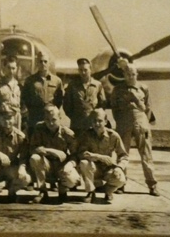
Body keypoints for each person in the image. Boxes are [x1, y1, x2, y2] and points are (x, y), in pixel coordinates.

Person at [110, 62, 160, 196]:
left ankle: (152, 185)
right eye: (127, 74)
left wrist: (144, 123)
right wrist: (121, 121)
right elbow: (114, 108)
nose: (130, 76)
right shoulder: (117, 90)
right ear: (124, 75)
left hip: (141, 124)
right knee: (122, 154)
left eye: (133, 74)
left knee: (146, 155)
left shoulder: (144, 88)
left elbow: (148, 108)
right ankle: (121, 183)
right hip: (124, 124)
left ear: (136, 74)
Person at [29, 104, 81, 204]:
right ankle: (42, 191)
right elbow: (32, 148)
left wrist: (69, 165)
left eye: (54, 119)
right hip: (46, 164)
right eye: (47, 120)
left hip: (61, 165)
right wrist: (53, 151)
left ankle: (63, 190)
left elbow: (75, 155)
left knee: (72, 178)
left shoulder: (67, 133)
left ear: (60, 118)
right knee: (35, 158)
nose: (51, 123)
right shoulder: (39, 128)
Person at [78, 109, 128, 203]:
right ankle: (91, 192)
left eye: (100, 121)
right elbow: (81, 153)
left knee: (121, 179)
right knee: (84, 163)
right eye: (94, 121)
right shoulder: (86, 135)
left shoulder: (113, 136)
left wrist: (119, 167)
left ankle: (108, 192)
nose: (97, 124)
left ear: (105, 121)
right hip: (93, 169)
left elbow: (124, 156)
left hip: (107, 169)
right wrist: (100, 157)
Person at [21, 52, 64, 139]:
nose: (43, 64)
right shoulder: (30, 81)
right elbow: (25, 99)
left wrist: (52, 111)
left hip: (51, 119)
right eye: (40, 61)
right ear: (37, 63)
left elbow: (60, 99)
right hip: (34, 118)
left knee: (51, 142)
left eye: (45, 61)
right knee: (34, 142)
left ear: (49, 63)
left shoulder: (57, 81)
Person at [63, 58, 106, 137]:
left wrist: (96, 117)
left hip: (93, 125)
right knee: (77, 147)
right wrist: (76, 116)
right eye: (80, 70)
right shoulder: (72, 85)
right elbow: (67, 105)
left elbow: (102, 104)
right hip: (77, 125)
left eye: (85, 70)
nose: (83, 72)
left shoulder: (97, 85)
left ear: (90, 70)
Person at [0, 55, 22, 129]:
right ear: (4, 68)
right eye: (8, 68)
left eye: (13, 68)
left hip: (16, 119)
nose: (11, 71)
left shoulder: (19, 85)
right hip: (2, 119)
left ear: (16, 69)